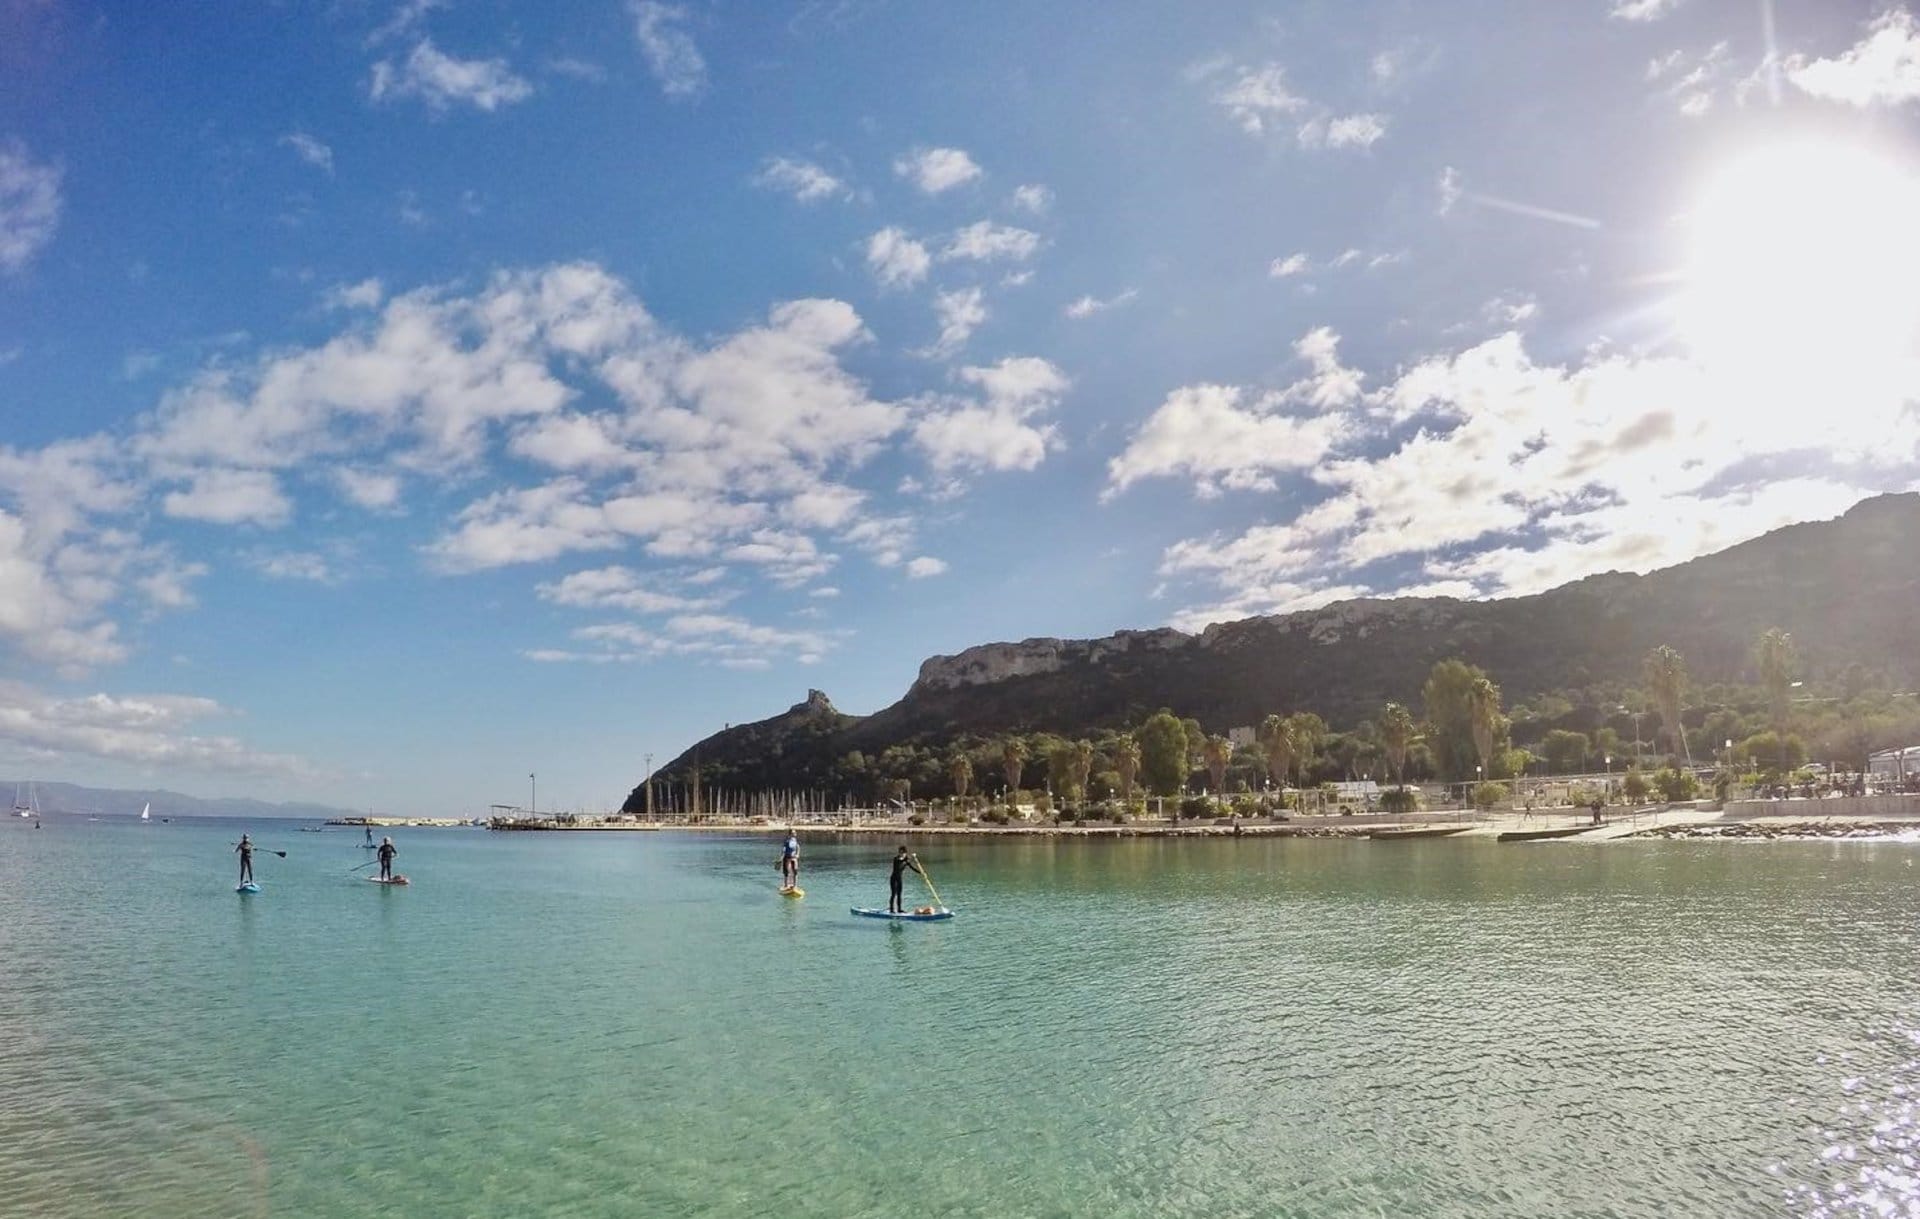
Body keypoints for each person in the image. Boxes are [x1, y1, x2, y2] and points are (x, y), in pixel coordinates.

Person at [888, 845, 923, 914]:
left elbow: (912, 868)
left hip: (899, 879)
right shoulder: (896, 859)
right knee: (893, 894)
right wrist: (911, 857)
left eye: (902, 853)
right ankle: (891, 909)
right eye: (900, 852)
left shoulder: (906, 860)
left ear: (905, 853)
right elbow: (900, 861)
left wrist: (920, 872)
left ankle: (899, 909)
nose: (901, 854)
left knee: (899, 894)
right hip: (893, 879)